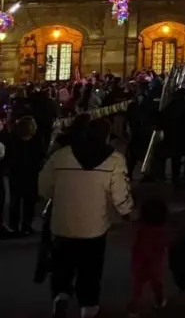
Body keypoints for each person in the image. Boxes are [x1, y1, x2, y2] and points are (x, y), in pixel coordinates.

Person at [39, 118, 134, 318]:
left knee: (62, 264)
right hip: (95, 225)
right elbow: (120, 194)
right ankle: (88, 306)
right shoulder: (115, 160)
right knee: (90, 268)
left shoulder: (61, 156)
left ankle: (60, 296)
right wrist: (127, 211)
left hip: (62, 221)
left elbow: (44, 187)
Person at [127, 198, 168, 317]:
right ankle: (159, 301)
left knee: (137, 287)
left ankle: (134, 309)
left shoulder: (140, 229)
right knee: (158, 284)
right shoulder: (162, 232)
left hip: (138, 263)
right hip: (155, 265)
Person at [6, 115, 43, 236]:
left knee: (15, 201)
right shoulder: (37, 141)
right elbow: (40, 157)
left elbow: (9, 158)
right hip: (31, 174)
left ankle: (13, 226)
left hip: (16, 174)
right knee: (29, 201)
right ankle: (26, 226)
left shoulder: (13, 140)